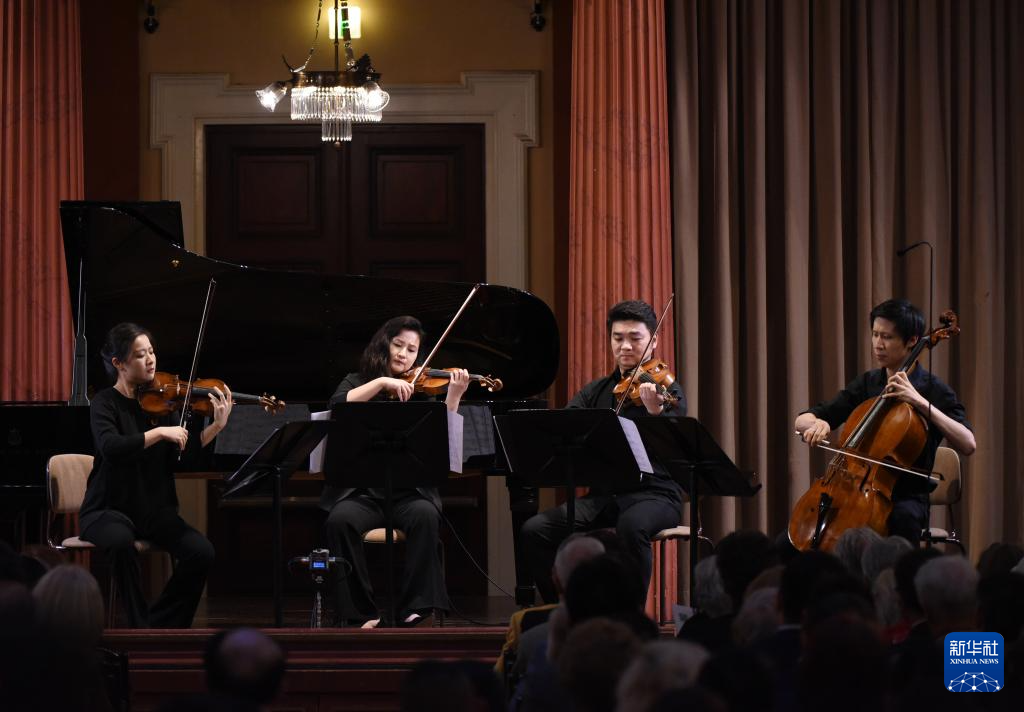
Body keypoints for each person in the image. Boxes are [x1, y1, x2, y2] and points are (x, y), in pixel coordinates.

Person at [522, 300, 687, 603]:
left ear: (653, 342)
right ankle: (563, 608)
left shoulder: (668, 392)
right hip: (605, 496)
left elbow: (674, 445)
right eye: (617, 337)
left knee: (631, 526)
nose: (625, 346)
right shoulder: (595, 391)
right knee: (535, 529)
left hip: (656, 494)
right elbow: (564, 425)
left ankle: (630, 613)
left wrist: (655, 414)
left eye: (635, 338)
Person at [321, 315, 470, 628]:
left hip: (408, 493)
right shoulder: (357, 381)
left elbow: (441, 441)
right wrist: (382, 383)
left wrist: (453, 396)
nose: (403, 354)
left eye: (412, 350)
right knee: (339, 520)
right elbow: (337, 406)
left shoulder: (423, 390)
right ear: (384, 344)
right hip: (362, 493)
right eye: (398, 345)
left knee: (425, 515)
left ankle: (415, 607)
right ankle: (360, 612)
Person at [80, 322, 230, 628]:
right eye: (140, 355)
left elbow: (181, 462)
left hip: (152, 511)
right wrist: (159, 433)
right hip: (107, 509)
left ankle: (162, 627)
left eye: (151, 352)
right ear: (118, 363)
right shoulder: (104, 403)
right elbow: (111, 448)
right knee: (121, 544)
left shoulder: (162, 403)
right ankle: (139, 630)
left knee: (202, 552)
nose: (150, 360)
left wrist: (215, 427)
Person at [795, 298, 976, 543]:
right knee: (790, 544)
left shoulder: (933, 390)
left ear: (912, 341)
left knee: (902, 521)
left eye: (887, 337)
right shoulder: (868, 383)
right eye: (875, 334)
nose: (878, 344)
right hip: (850, 488)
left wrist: (919, 401)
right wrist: (819, 423)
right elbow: (802, 420)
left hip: (906, 498)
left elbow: (968, 443)